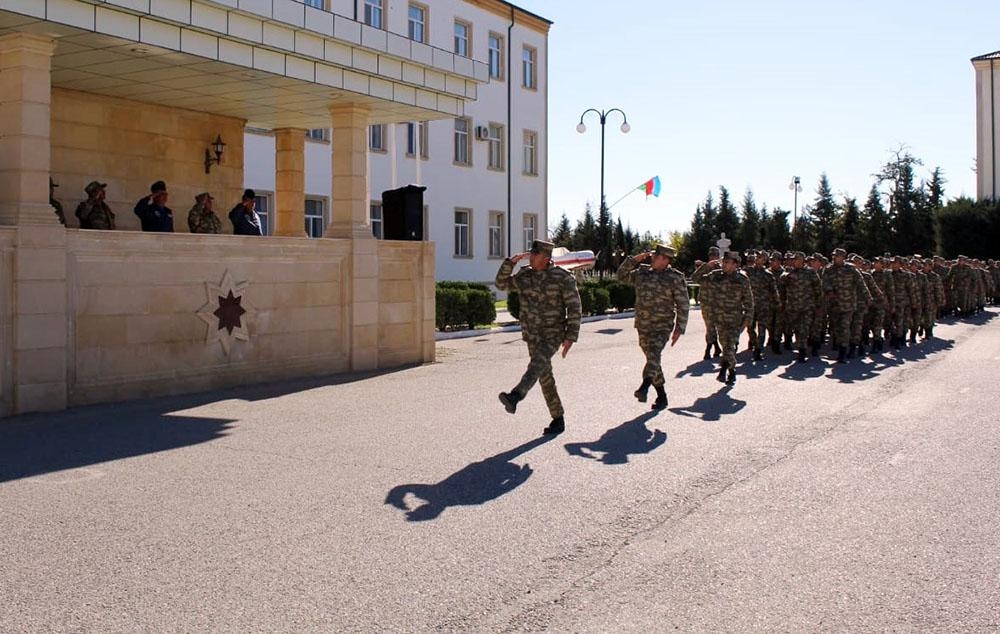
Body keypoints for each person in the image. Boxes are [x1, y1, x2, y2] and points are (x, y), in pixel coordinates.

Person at [495, 240, 582, 435]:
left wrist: (571, 336)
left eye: (535, 254)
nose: (531, 257)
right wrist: (510, 263)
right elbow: (500, 284)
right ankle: (558, 418)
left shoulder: (562, 277)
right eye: (531, 254)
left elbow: (574, 307)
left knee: (536, 365)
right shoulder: (525, 275)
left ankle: (516, 395)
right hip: (532, 334)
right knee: (544, 376)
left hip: (553, 334)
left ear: (546, 258)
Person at [616, 244, 689, 410]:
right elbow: (620, 276)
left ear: (665, 259)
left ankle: (644, 386)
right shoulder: (642, 273)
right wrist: (634, 259)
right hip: (643, 325)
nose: (652, 258)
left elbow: (683, 304)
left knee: (654, 355)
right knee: (652, 359)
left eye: (655, 256)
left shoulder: (675, 277)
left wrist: (679, 328)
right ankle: (662, 396)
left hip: (662, 325)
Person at [703, 251, 753, 384]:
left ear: (735, 264)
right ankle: (731, 370)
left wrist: (747, 320)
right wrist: (707, 266)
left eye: (726, 262)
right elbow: (697, 279)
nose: (723, 265)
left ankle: (725, 371)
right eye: (723, 262)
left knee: (730, 346)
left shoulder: (742, 279)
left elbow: (749, 302)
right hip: (719, 319)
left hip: (734, 320)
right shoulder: (716, 275)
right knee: (725, 346)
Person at [823, 248, 871, 362]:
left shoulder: (851, 268)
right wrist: (829, 291)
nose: (835, 258)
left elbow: (861, 284)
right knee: (837, 329)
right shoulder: (828, 269)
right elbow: (824, 283)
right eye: (834, 256)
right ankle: (844, 347)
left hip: (848, 304)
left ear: (843, 257)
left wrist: (868, 297)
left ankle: (844, 353)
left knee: (845, 327)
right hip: (834, 305)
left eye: (837, 256)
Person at [779, 251, 822, 362]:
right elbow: (781, 281)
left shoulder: (811, 272)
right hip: (793, 307)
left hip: (807, 307)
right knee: (797, 329)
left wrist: (818, 305)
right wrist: (787, 276)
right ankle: (801, 347)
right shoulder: (789, 272)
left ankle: (802, 352)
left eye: (797, 259)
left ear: (803, 261)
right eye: (794, 259)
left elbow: (818, 289)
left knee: (804, 329)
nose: (795, 261)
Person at [691, 246, 722, 359]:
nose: (713, 257)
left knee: (719, 327)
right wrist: (705, 266)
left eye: (715, 255)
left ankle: (717, 347)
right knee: (710, 326)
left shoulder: (722, 268)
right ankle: (709, 348)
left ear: (718, 256)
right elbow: (694, 278)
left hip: (719, 302)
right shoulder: (704, 268)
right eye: (711, 255)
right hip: (706, 302)